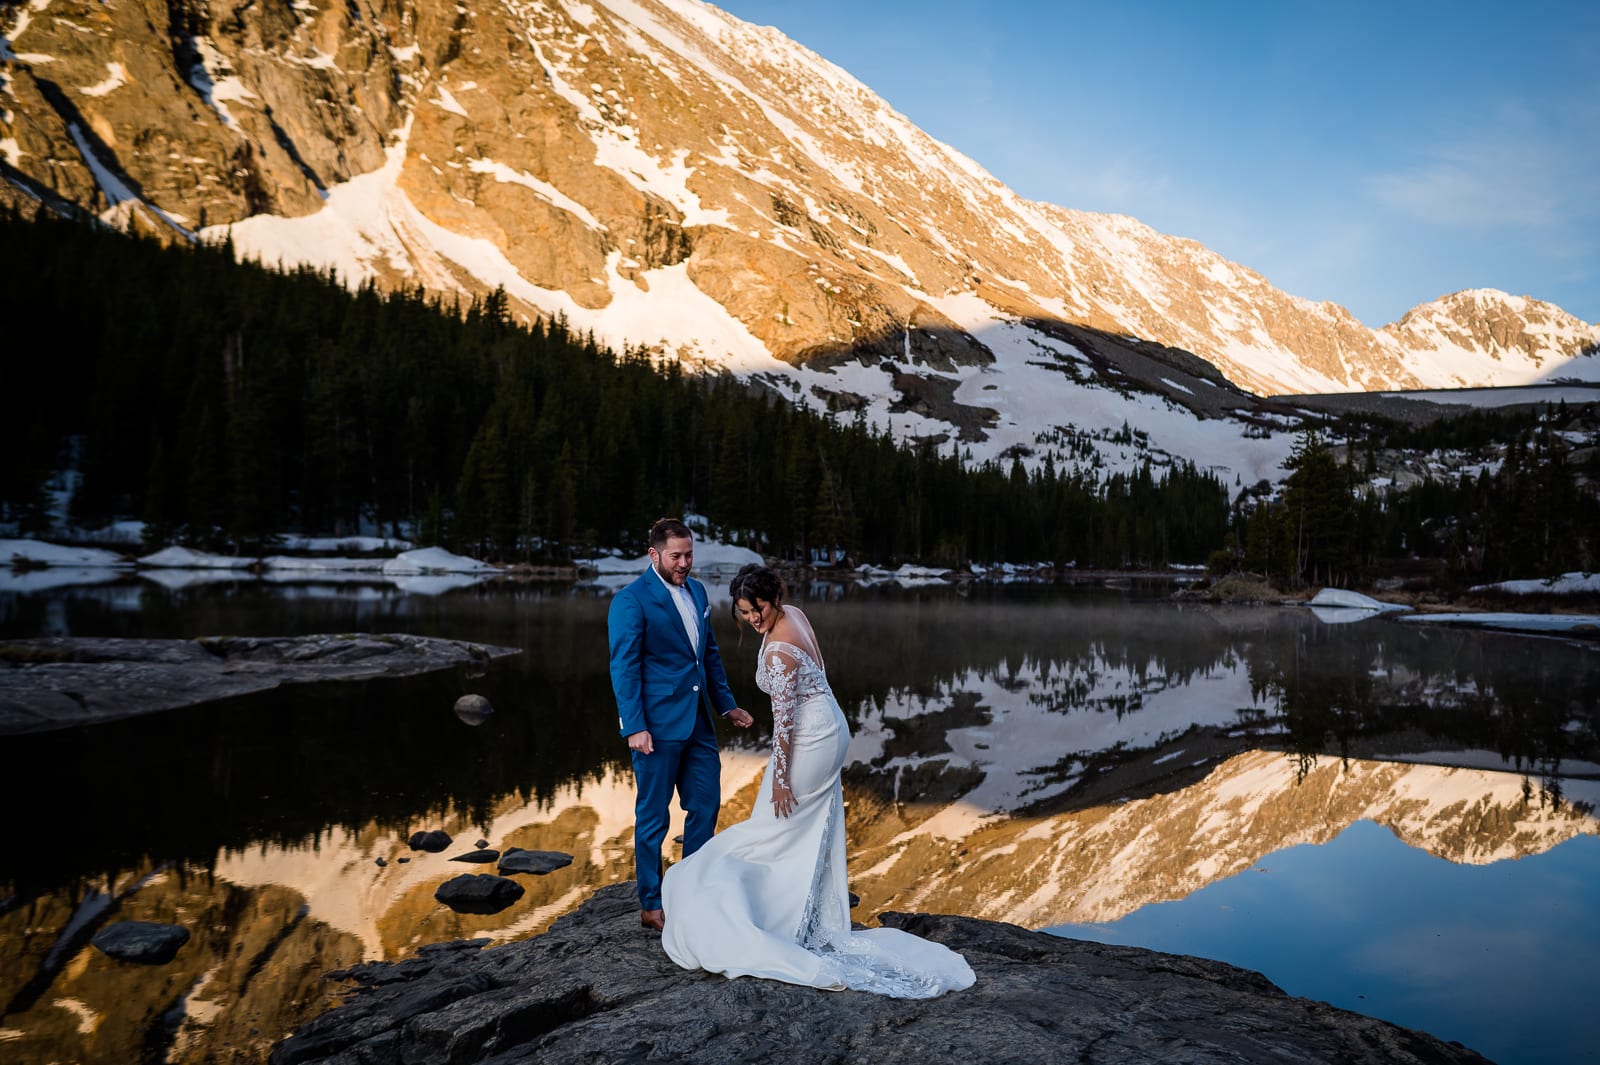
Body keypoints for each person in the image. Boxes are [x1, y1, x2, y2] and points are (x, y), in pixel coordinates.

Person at [660, 564, 975, 997]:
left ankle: (778, 918)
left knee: (776, 824)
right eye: (745, 612)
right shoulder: (795, 614)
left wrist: (782, 778)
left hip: (810, 738)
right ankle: (804, 914)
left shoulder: (777, 652)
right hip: (829, 726)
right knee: (799, 827)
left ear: (774, 598)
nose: (754, 619)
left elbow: (784, 721)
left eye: (760, 608)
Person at [608, 518, 753, 932]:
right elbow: (623, 668)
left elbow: (708, 655)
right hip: (654, 728)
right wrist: (634, 726)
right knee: (654, 817)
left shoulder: (697, 591)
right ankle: (652, 904)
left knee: (705, 805)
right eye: (677, 556)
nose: (685, 563)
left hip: (700, 724)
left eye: (689, 554)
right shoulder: (630, 601)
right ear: (653, 554)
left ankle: (692, 891)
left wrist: (727, 706)